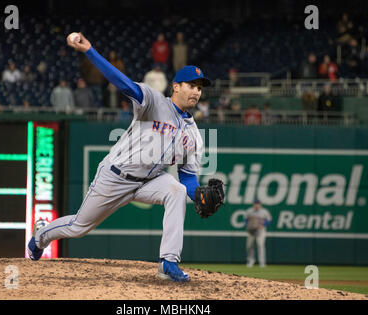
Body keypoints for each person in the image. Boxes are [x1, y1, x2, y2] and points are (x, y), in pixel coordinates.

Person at [27, 32, 225, 283]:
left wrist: (197, 193)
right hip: (115, 175)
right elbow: (122, 83)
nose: (196, 92)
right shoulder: (154, 102)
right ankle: (41, 235)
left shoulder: (194, 134)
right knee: (79, 227)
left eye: (199, 88)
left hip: (150, 181)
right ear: (176, 86)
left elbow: (187, 176)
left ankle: (168, 263)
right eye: (191, 85)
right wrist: (90, 50)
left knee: (175, 191)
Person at [244, 199, 272, 268]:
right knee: (249, 246)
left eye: (258, 204)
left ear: (260, 204)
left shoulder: (264, 212)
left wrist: (263, 225)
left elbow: (269, 220)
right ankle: (251, 261)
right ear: (254, 204)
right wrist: (247, 225)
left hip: (260, 231)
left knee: (260, 246)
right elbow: (245, 219)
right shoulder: (249, 211)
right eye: (255, 204)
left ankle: (262, 262)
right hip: (251, 231)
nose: (257, 205)